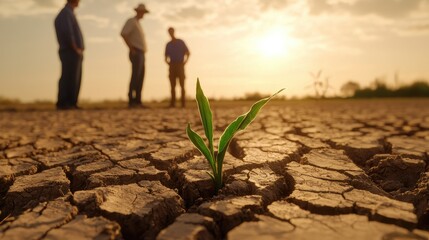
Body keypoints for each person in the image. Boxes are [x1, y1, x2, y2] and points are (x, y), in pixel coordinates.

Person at [54, 0, 84, 110]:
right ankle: (65, 102)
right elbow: (68, 33)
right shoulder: (66, 13)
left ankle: (71, 102)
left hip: (72, 51)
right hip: (70, 51)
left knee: (74, 77)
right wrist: (75, 48)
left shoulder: (69, 13)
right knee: (69, 76)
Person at [121, 3, 149, 108]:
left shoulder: (138, 23)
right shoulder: (131, 21)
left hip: (141, 52)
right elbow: (123, 34)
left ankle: (138, 100)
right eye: (142, 12)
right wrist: (131, 48)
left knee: (140, 76)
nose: (143, 14)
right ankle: (132, 100)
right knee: (135, 76)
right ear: (138, 11)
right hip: (136, 52)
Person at [165, 27, 190, 108]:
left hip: (180, 65)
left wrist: (185, 62)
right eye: (169, 32)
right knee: (172, 85)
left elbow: (188, 53)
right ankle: (173, 103)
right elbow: (165, 56)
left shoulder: (181, 42)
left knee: (182, 85)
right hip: (172, 65)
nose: (171, 33)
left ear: (174, 32)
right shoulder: (168, 44)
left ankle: (183, 103)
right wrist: (168, 63)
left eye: (171, 32)